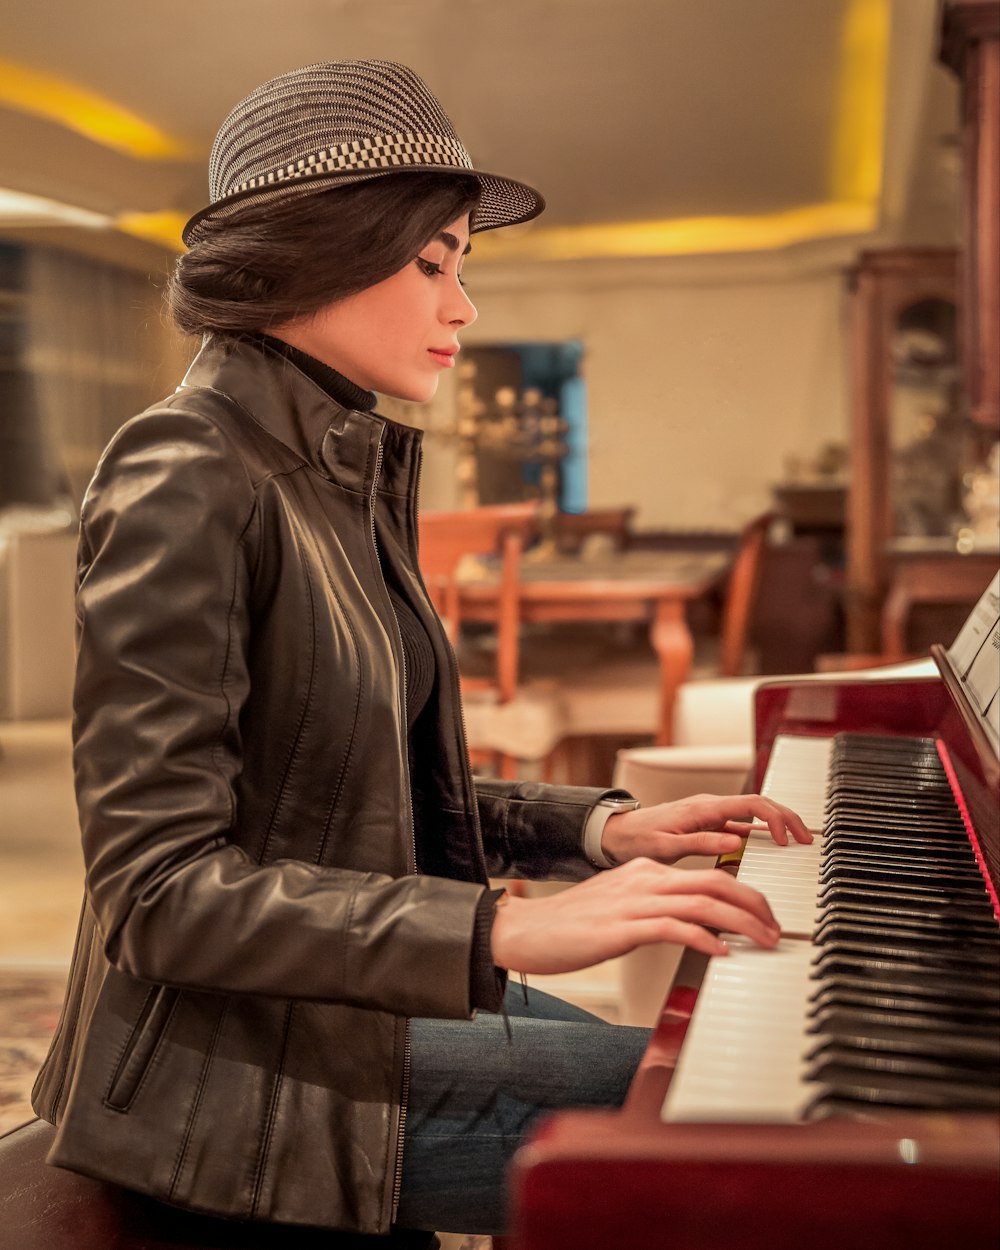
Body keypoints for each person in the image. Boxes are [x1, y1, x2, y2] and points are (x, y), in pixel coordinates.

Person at [31, 60, 810, 1243]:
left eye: (462, 266)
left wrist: (593, 828)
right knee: (741, 1129)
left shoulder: (334, 465)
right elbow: (157, 892)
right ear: (312, 257)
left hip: (322, 1005)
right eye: (431, 262)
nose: (463, 307)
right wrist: (500, 925)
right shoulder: (187, 468)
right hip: (218, 1078)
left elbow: (351, 791)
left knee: (689, 1058)